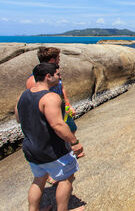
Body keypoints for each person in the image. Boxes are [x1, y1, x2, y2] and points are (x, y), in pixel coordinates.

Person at [16, 63, 84, 211]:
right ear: (48, 76)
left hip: (31, 148)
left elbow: (19, 119)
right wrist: (75, 142)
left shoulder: (23, 95)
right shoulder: (50, 97)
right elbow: (58, 125)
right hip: (51, 149)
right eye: (57, 74)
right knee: (66, 178)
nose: (60, 77)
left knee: (39, 179)